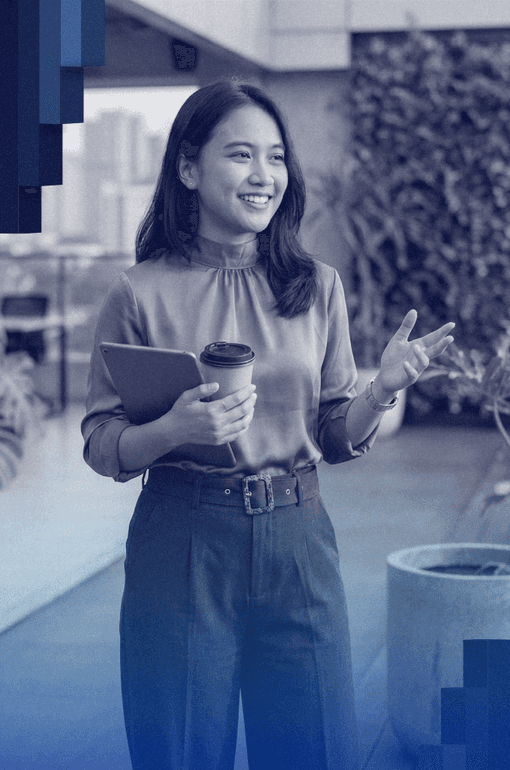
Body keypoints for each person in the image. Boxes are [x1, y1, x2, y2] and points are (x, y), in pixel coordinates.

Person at [81, 79, 454, 770]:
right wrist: (169, 430)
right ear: (189, 169)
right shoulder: (138, 292)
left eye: (276, 157)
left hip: (297, 542)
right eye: (241, 155)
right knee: (179, 751)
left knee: (312, 747)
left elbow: (338, 433)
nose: (264, 176)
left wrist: (381, 389)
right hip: (181, 545)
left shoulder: (316, 287)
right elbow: (102, 442)